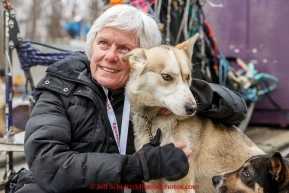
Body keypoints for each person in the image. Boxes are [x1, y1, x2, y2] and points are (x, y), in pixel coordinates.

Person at [12, 4, 247, 193]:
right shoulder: (60, 85)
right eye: (103, 43)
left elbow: (238, 108)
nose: (111, 56)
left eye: (124, 49)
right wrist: (139, 166)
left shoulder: (155, 88)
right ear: (92, 45)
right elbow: (48, 166)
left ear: (141, 60)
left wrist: (193, 97)